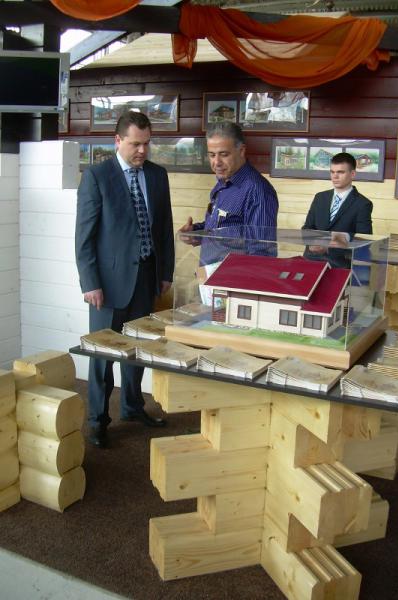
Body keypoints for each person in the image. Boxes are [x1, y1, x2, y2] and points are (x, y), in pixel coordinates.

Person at [75, 110, 174, 448]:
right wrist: (90, 282)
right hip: (107, 284)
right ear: (117, 140)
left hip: (146, 277)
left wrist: (165, 273)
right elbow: (84, 237)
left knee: (138, 349)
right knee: (102, 355)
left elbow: (164, 229)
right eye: (135, 144)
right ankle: (97, 420)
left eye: (147, 144)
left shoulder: (158, 175)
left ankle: (132, 407)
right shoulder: (97, 177)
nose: (142, 151)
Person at [180, 121, 278, 235]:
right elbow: (219, 226)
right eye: (212, 155)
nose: (217, 162)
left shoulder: (258, 191)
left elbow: (260, 245)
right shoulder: (223, 181)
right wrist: (196, 232)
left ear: (241, 151)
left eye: (224, 154)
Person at [302, 152, 373, 267]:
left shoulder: (363, 204)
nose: (335, 176)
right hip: (311, 260)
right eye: (332, 172)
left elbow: (364, 239)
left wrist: (340, 240)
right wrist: (311, 242)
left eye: (340, 172)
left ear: (352, 174)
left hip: (339, 264)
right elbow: (307, 228)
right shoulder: (320, 197)